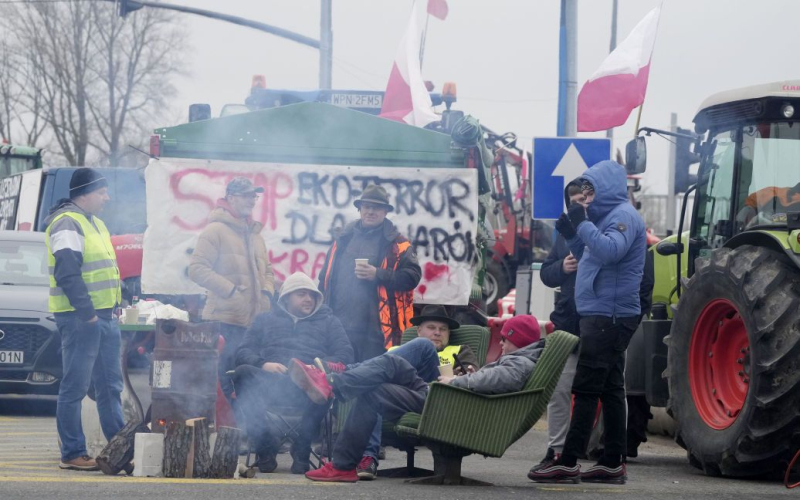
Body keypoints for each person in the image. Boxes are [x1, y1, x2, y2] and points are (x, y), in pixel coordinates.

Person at [291, 315, 543, 483]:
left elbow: (500, 380)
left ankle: (335, 382)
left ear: (519, 341)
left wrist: (457, 380)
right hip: (445, 395)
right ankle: (343, 462)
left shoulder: (520, 361)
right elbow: (493, 378)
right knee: (384, 374)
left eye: (506, 338)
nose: (500, 341)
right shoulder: (516, 359)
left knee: (389, 371)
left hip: (454, 403)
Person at [528, 160, 646, 485]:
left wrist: (581, 222)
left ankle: (568, 461)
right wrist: (573, 232)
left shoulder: (623, 216)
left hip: (608, 314)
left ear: (607, 188)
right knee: (609, 387)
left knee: (586, 386)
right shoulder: (607, 217)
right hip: (602, 312)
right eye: (584, 193)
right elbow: (590, 254)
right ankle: (612, 462)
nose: (587, 199)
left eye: (591, 191)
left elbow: (610, 251)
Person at [315, 304, 480, 480]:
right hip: (405, 391)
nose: (438, 333)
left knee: (422, 347)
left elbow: (476, 375)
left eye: (443, 329)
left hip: (437, 394)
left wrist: (464, 375)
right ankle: (366, 458)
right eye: (432, 328)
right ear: (418, 330)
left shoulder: (459, 350)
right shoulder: (398, 351)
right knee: (373, 382)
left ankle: (340, 374)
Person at [44, 168, 125, 471]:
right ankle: (72, 452)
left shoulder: (97, 224)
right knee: (75, 388)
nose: (107, 197)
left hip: (103, 318)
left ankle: (119, 446)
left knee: (110, 387)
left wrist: (117, 304)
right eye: (102, 192)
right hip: (82, 319)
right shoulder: (67, 222)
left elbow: (104, 270)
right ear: (85, 193)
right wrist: (88, 314)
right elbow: (67, 272)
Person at [233, 272, 353, 474]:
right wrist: (263, 364)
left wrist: (317, 366)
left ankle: (302, 445)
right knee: (242, 372)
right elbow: (242, 352)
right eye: (302, 294)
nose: (308, 299)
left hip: (309, 386)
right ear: (286, 297)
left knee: (328, 380)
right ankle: (265, 446)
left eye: (312, 295)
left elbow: (345, 355)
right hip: (272, 381)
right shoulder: (264, 320)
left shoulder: (329, 321)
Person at [188, 177, 275, 405]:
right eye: (246, 195)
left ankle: (244, 431)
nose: (252, 201)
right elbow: (196, 269)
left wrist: (267, 293)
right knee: (223, 382)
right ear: (231, 198)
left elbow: (268, 270)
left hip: (253, 323)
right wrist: (231, 291)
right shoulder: (215, 230)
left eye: (254, 196)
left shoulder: (256, 235)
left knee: (247, 382)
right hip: (224, 320)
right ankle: (226, 432)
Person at [318, 184, 421, 362]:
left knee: (368, 379)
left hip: (376, 332)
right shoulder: (343, 238)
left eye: (377, 207)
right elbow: (324, 278)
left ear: (385, 212)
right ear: (359, 209)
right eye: (366, 206)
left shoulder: (398, 243)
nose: (371, 211)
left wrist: (378, 274)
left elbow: (412, 277)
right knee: (336, 377)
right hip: (338, 326)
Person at [530, 180, 584, 471]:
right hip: (567, 324)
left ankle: (614, 452)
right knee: (560, 389)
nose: (579, 205)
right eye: (573, 200)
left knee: (610, 391)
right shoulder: (563, 234)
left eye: (583, 199)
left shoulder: (610, 230)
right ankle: (557, 450)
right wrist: (562, 267)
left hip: (601, 325)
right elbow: (547, 273)